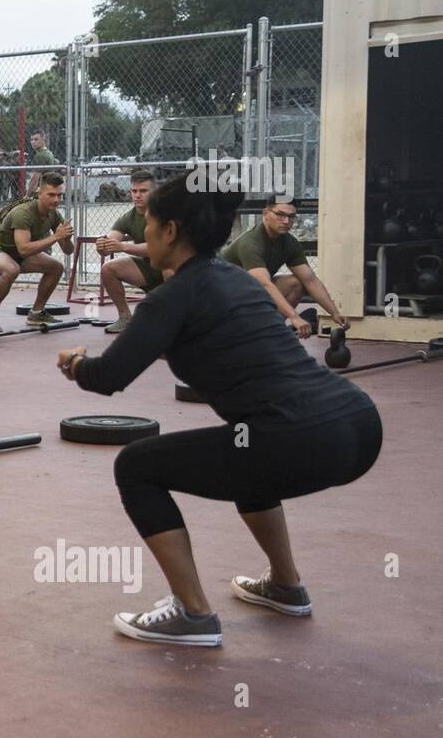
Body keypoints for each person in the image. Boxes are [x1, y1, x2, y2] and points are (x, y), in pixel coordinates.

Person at [56, 173, 381, 647]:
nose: (142, 234)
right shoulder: (232, 279)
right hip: (358, 424)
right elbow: (222, 339)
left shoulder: (170, 299)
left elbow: (108, 379)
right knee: (246, 449)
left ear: (169, 231)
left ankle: (193, 614)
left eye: (147, 224)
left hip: (298, 438)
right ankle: (286, 587)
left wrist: (77, 363)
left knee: (136, 465)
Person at [220, 196, 349, 336]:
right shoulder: (250, 243)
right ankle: (255, 331)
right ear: (265, 214)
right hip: (221, 299)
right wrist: (294, 317)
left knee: (295, 283)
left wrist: (334, 313)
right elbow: (264, 284)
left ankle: (268, 330)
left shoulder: (289, 243)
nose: (286, 221)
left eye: (291, 216)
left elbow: (310, 280)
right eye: (280, 215)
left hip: (247, 295)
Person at [0, 172, 74, 331]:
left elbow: (69, 251)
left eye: (59, 195)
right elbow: (23, 249)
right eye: (51, 195)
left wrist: (66, 238)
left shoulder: (54, 214)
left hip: (18, 253)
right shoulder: (24, 213)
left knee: (56, 267)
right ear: (39, 193)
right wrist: (56, 237)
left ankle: (36, 313)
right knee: (11, 269)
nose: (56, 200)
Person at [95, 169, 164, 334]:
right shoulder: (128, 217)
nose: (137, 195)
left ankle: (175, 320)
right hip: (150, 268)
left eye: (143, 191)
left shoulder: (165, 212)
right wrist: (103, 245)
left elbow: (160, 249)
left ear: (154, 192)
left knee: (170, 268)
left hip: (175, 269)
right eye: (134, 191)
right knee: (108, 269)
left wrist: (123, 247)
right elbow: (111, 239)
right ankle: (125, 318)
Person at [26, 129, 57, 199]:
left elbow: (35, 179)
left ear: (43, 139)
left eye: (36, 139)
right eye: (31, 139)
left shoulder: (40, 155)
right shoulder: (48, 152)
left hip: (43, 191)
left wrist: (27, 195)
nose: (33, 142)